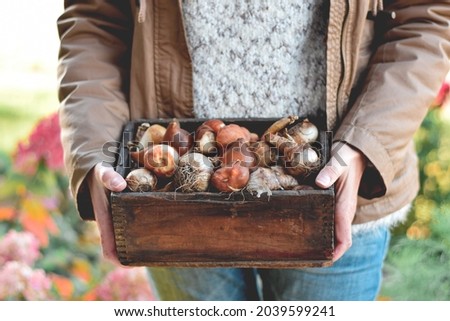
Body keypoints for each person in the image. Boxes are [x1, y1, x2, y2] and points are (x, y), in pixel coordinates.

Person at [57, 0, 450, 300]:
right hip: (174, 201)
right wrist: (96, 147)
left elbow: (427, 16)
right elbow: (95, 21)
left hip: (334, 188)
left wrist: (367, 142)